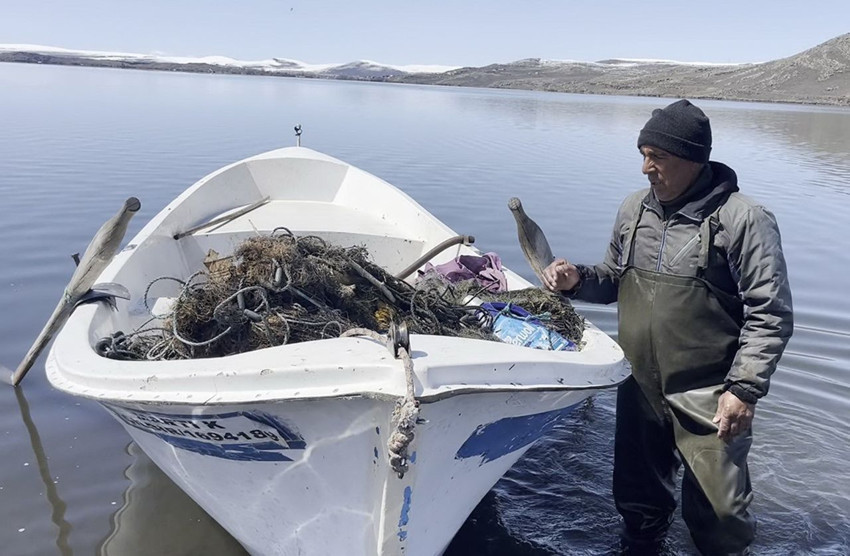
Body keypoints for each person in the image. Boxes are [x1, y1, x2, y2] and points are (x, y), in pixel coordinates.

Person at [542, 99, 793, 555]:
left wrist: (744, 389)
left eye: (657, 157)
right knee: (638, 506)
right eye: (642, 154)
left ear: (694, 160)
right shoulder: (634, 210)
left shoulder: (744, 220)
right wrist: (577, 279)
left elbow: (769, 312)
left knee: (721, 519)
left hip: (710, 394)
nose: (645, 168)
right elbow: (615, 278)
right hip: (638, 386)